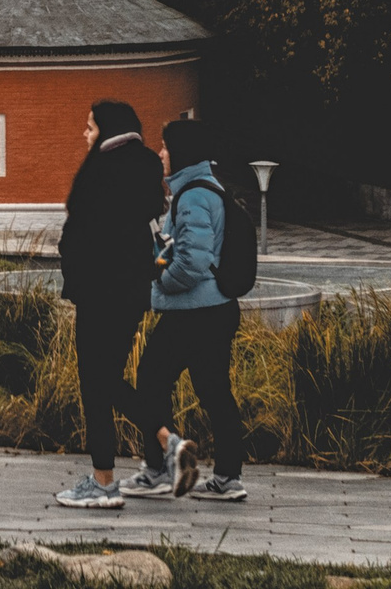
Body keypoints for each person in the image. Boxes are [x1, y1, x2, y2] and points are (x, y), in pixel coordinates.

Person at [124, 117, 248, 503]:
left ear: (180, 153)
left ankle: (158, 469)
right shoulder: (206, 187)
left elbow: (193, 263)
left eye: (165, 147)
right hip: (215, 310)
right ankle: (228, 476)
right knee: (214, 392)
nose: (161, 153)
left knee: (149, 383)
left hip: (194, 313)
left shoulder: (193, 195)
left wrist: (160, 282)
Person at [51, 100, 165, 511]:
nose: (84, 134)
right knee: (110, 378)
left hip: (97, 293)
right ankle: (168, 440)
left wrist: (73, 272)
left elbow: (76, 231)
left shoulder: (98, 170)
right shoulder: (148, 166)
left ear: (106, 130)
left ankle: (103, 483)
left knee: (94, 386)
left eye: (89, 126)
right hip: (134, 294)